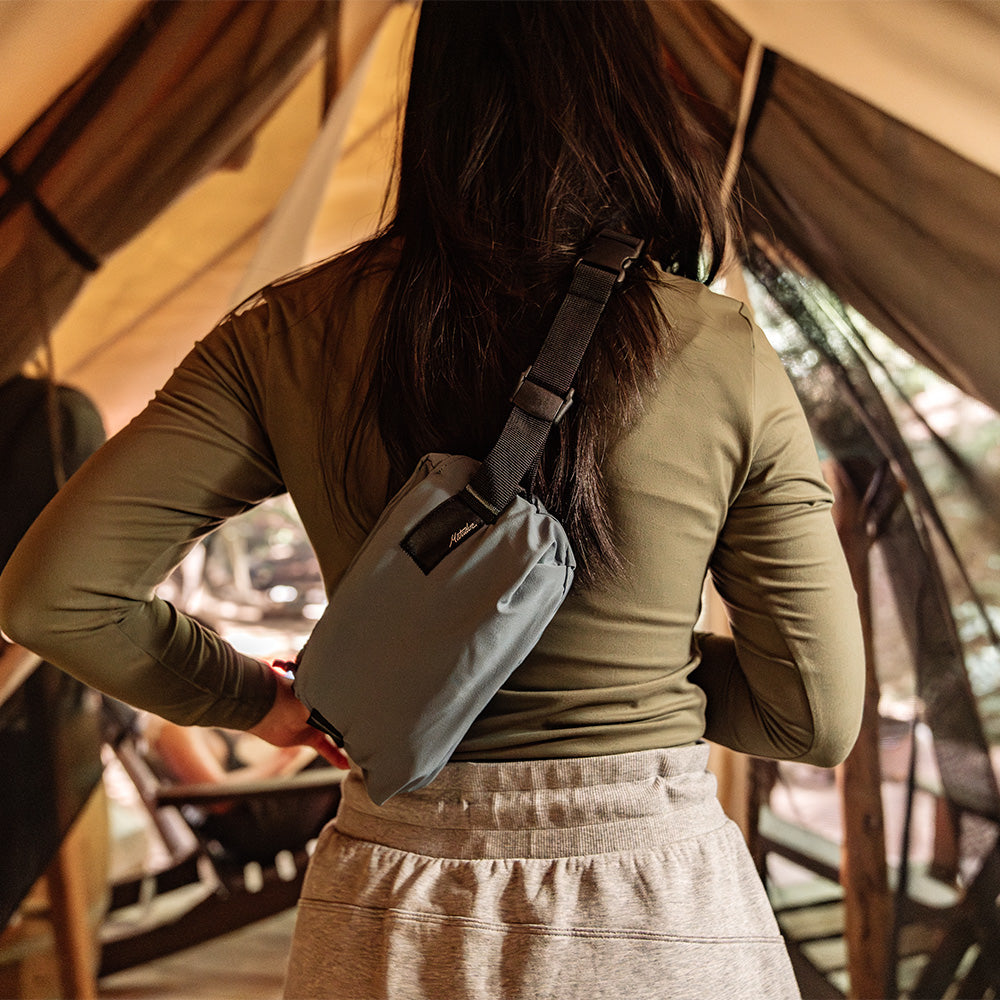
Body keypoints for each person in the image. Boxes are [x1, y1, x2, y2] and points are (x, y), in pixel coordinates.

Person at [0, 3, 865, 997]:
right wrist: (645, 670)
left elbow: (53, 595)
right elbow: (816, 716)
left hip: (392, 904)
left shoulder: (284, 335)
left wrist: (261, 702)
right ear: (635, 88)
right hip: (657, 908)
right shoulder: (720, 350)